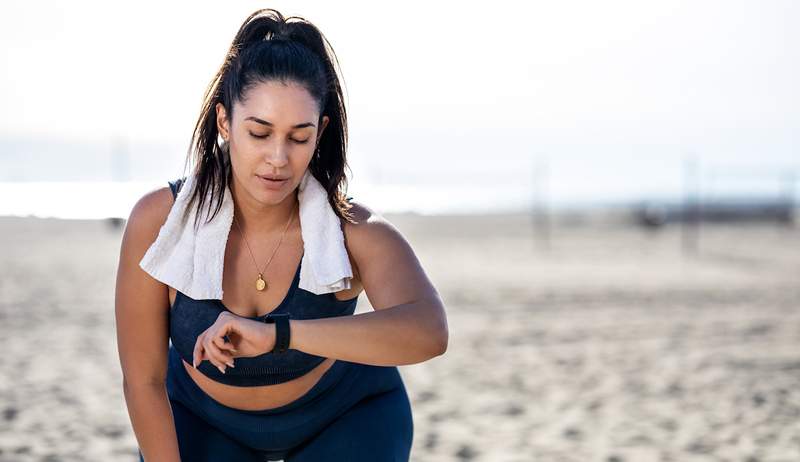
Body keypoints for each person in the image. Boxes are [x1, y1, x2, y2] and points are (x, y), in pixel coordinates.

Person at [114, 8, 448, 462]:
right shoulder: (159, 222)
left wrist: (281, 336)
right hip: (201, 421)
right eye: (259, 132)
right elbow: (143, 380)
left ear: (320, 133)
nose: (278, 158)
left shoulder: (354, 231)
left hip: (347, 417)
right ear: (224, 123)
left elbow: (429, 330)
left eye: (298, 137)